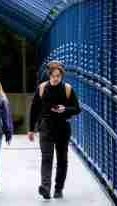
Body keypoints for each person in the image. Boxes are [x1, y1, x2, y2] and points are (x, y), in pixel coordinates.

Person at [28, 60, 81, 199]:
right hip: (46, 126)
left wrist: (65, 109)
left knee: (62, 159)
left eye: (58, 76)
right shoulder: (42, 88)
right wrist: (31, 129)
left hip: (62, 127)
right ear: (49, 75)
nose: (56, 78)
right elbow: (34, 109)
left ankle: (58, 188)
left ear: (61, 75)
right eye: (53, 75)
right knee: (46, 158)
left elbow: (77, 109)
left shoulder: (67, 89)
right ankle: (45, 187)